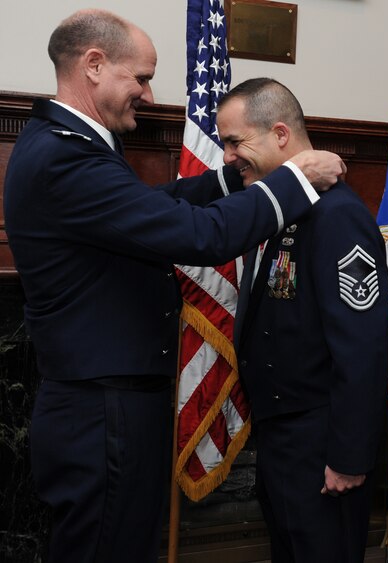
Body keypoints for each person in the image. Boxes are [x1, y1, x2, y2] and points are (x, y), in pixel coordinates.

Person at [4, 10, 345, 562]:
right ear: (94, 65)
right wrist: (295, 180)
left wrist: (229, 175)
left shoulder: (64, 145)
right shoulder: (66, 157)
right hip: (102, 410)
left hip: (101, 403)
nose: (147, 91)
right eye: (139, 77)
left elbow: (149, 211)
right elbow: (200, 236)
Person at [219, 78, 388, 563]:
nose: (228, 157)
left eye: (235, 142)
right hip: (283, 437)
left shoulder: (337, 216)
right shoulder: (281, 207)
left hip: (322, 446)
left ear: (279, 134)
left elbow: (363, 348)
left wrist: (349, 455)